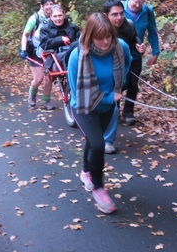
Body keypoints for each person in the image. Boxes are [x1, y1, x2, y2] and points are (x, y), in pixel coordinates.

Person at [67, 12, 132, 214]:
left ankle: (86, 171)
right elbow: (77, 94)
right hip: (84, 107)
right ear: (89, 36)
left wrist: (119, 88)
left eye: (109, 36)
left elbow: (127, 64)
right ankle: (98, 187)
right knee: (98, 143)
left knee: (92, 140)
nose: (105, 42)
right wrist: (108, 97)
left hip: (106, 107)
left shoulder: (120, 47)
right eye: (100, 37)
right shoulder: (78, 56)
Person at [102, 0, 145, 154]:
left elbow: (135, 38)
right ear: (106, 15)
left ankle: (127, 113)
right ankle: (107, 137)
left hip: (127, 61)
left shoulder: (129, 24)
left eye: (121, 14)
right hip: (106, 65)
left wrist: (139, 46)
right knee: (112, 98)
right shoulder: (99, 28)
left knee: (131, 86)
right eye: (114, 15)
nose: (119, 18)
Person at [122, 0, 160, 125]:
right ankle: (112, 109)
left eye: (141, 2)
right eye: (135, 1)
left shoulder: (147, 11)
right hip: (118, 54)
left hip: (136, 55)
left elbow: (152, 32)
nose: (137, 5)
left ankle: (128, 113)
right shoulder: (119, 9)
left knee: (133, 84)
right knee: (118, 82)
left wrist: (155, 52)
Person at [37, 5, 81, 109]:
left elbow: (79, 42)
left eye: (60, 16)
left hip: (72, 53)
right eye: (55, 16)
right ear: (51, 17)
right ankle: (45, 101)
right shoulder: (45, 29)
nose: (58, 18)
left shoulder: (73, 27)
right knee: (48, 78)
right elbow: (44, 44)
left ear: (64, 15)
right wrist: (60, 39)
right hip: (54, 56)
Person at [19, 0, 55, 109]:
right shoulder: (35, 18)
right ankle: (32, 95)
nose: (49, 7)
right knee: (38, 78)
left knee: (49, 77)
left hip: (49, 51)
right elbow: (25, 35)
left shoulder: (55, 17)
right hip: (35, 52)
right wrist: (23, 49)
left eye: (51, 4)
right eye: (47, 5)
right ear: (42, 6)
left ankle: (46, 101)